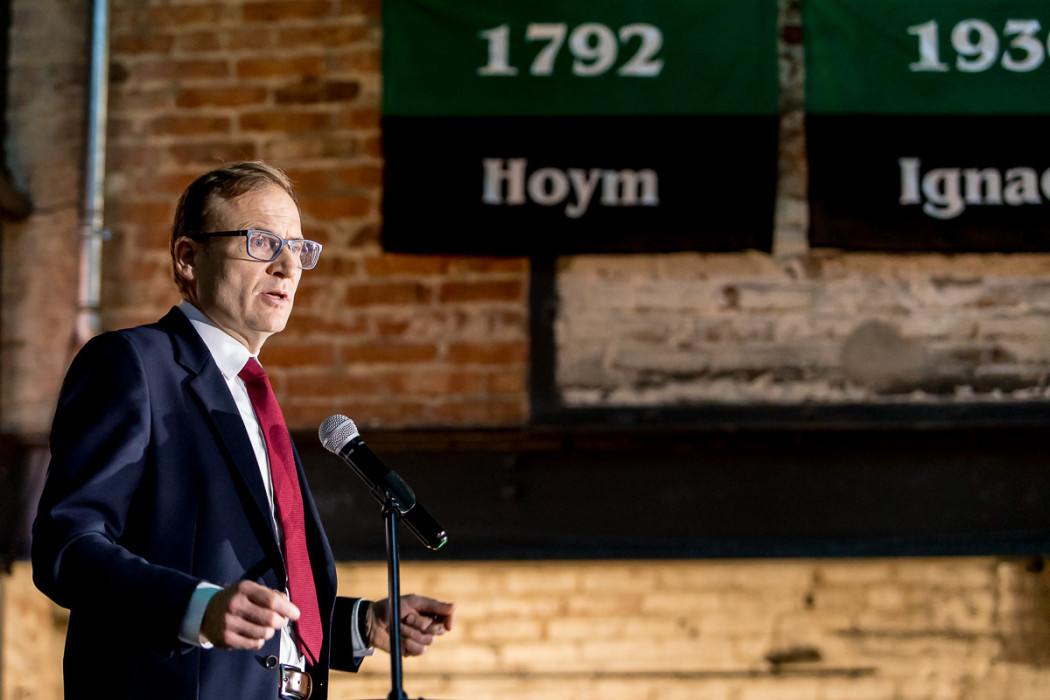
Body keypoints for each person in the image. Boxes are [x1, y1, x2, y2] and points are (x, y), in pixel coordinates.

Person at [31, 161, 455, 700]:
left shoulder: (251, 399)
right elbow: (66, 548)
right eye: (262, 242)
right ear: (188, 257)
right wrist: (194, 608)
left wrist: (362, 623)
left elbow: (258, 593)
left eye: (298, 248)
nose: (287, 266)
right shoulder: (134, 364)